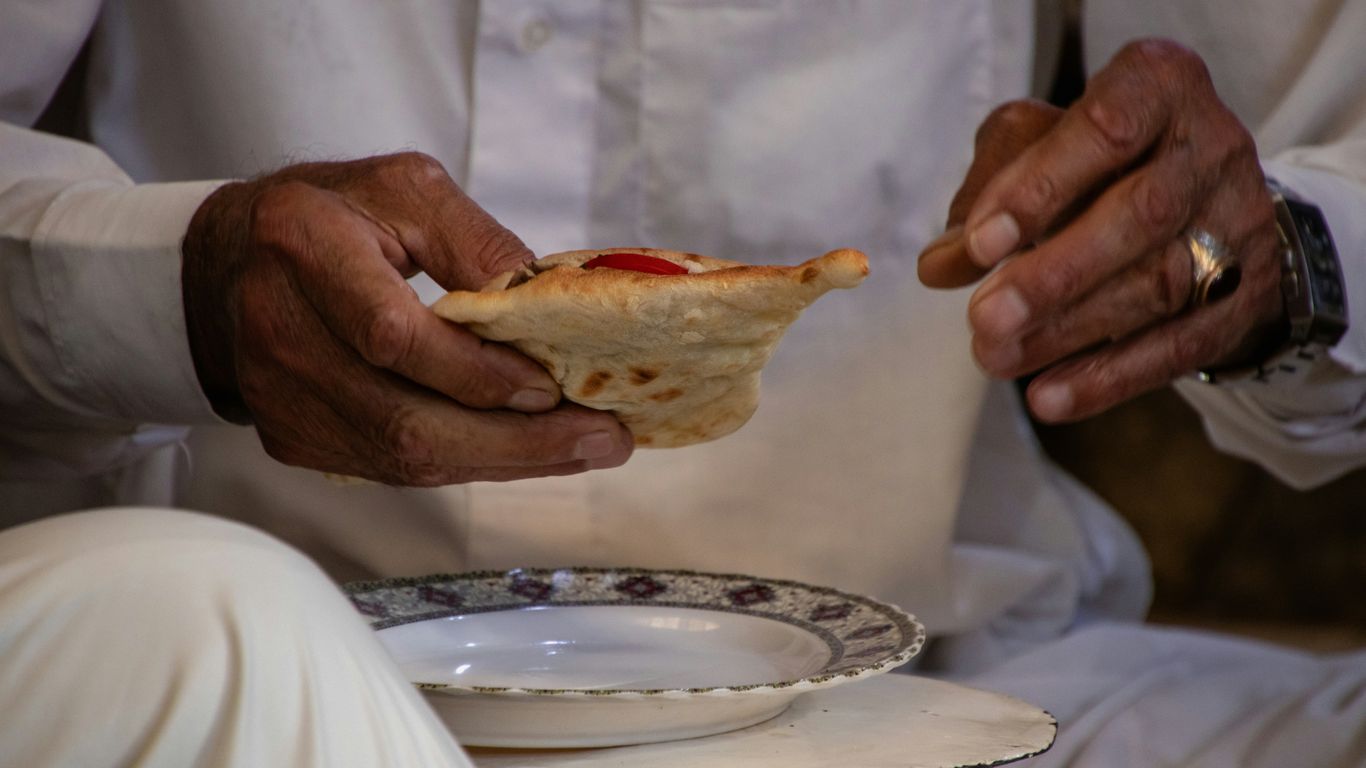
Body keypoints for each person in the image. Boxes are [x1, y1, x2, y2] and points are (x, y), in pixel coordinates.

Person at [1, 1, 1362, 766]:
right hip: (257, 691)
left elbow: (1321, 156)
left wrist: (1271, 256)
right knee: (193, 611)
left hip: (942, 692)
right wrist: (171, 288)